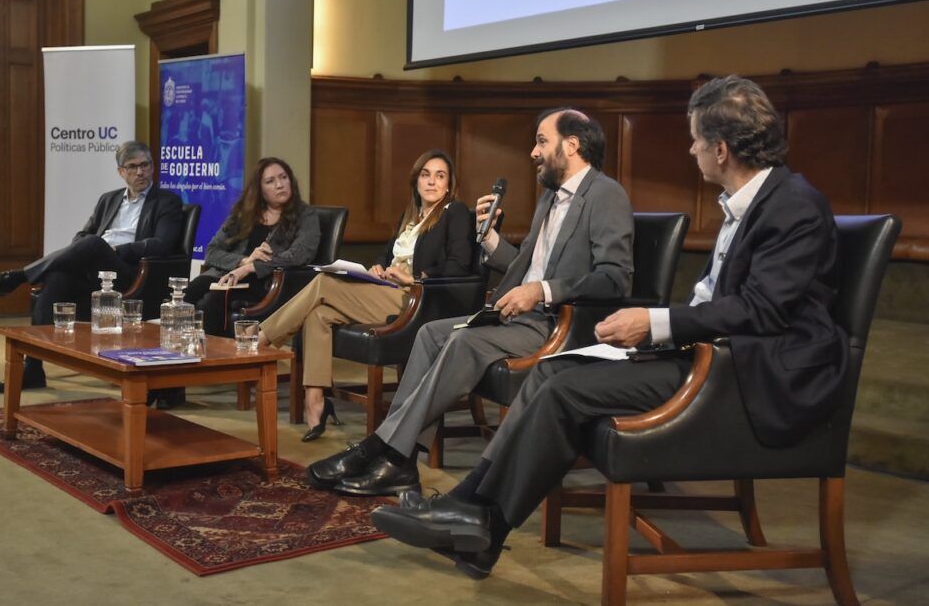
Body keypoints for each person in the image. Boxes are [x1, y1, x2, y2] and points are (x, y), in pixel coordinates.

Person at [369, 75, 848, 580]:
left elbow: (761, 312)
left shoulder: (792, 205)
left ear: (722, 149)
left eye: (696, 140)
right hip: (713, 353)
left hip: (753, 376)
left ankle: (482, 521)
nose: (690, 149)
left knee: (564, 391)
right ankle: (471, 508)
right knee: (552, 373)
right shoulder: (750, 202)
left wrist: (655, 322)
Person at [306, 107, 634, 495]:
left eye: (542, 141)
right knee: (429, 334)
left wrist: (543, 291)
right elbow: (524, 267)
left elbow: (616, 278)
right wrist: (490, 238)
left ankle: (381, 450)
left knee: (462, 341)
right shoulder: (550, 198)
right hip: (515, 315)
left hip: (555, 324)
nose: (533, 151)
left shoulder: (606, 194)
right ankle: (402, 461)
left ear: (573, 145)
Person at [259, 150, 477, 442]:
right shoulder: (410, 218)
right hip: (388, 290)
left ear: (449, 185)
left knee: (324, 283)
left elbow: (458, 266)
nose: (432, 182)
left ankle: (261, 337)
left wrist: (413, 278)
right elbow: (386, 256)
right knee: (318, 313)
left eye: (440, 176)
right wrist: (378, 268)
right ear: (416, 181)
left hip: (415, 299)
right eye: (426, 175)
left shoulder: (455, 212)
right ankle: (315, 401)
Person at [0, 141, 183, 393]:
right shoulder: (109, 199)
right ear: (121, 172)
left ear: (153, 167)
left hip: (128, 272)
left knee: (93, 243)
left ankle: (15, 278)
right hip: (94, 268)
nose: (140, 172)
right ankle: (33, 370)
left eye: (145, 165)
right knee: (58, 275)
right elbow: (82, 235)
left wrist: (116, 251)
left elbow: (162, 244)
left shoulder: (167, 201)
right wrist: (88, 249)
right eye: (132, 167)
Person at [149, 158, 320, 409]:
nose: (280, 185)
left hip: (265, 285)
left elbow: (300, 254)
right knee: (182, 300)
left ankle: (172, 383)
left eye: (283, 178)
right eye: (270, 181)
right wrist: (243, 260)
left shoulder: (306, 215)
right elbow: (212, 252)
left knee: (212, 302)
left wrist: (252, 267)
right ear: (259, 189)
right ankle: (162, 376)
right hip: (226, 276)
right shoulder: (244, 213)